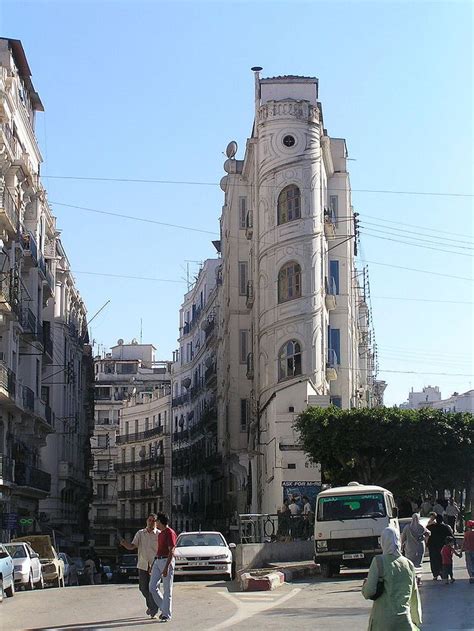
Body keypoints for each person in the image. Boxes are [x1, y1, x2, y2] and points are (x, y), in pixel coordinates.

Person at [362, 527, 422, 630]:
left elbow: (369, 592)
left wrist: (364, 586)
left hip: (382, 623)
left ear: (383, 542)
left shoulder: (378, 561)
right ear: (398, 541)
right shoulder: (408, 564)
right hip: (404, 621)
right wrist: (416, 621)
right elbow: (414, 595)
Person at [120, 514, 160, 619]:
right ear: (147, 521)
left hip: (155, 565)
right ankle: (152, 606)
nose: (151, 522)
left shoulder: (159, 534)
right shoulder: (140, 533)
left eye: (153, 521)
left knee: (153, 588)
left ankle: (153, 610)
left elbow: (161, 551)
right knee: (143, 588)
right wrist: (125, 544)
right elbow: (133, 546)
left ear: (156, 522)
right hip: (142, 564)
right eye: (149, 520)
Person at [149, 512, 177, 622]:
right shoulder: (161, 534)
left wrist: (166, 567)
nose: (156, 523)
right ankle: (164, 608)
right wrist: (153, 564)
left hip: (167, 561)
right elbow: (159, 550)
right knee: (152, 587)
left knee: (167, 589)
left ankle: (166, 614)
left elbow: (172, 551)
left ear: (160, 522)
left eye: (156, 521)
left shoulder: (170, 533)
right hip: (158, 560)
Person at [401, 514, 430, 585]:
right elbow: (428, 533)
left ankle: (412, 578)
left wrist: (401, 546)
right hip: (420, 547)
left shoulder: (407, 527)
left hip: (409, 548)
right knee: (419, 563)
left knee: (410, 563)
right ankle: (419, 579)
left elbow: (403, 538)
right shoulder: (421, 527)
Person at [427, 514, 453, 580]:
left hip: (432, 546)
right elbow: (451, 536)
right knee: (442, 560)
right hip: (442, 546)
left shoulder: (431, 527)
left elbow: (426, 533)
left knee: (433, 560)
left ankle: (435, 574)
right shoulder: (445, 527)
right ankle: (442, 573)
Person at [461, 519, 474, 584]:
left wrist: (460, 551)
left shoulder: (466, 534)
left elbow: (463, 542)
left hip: (468, 550)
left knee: (469, 563)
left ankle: (471, 576)